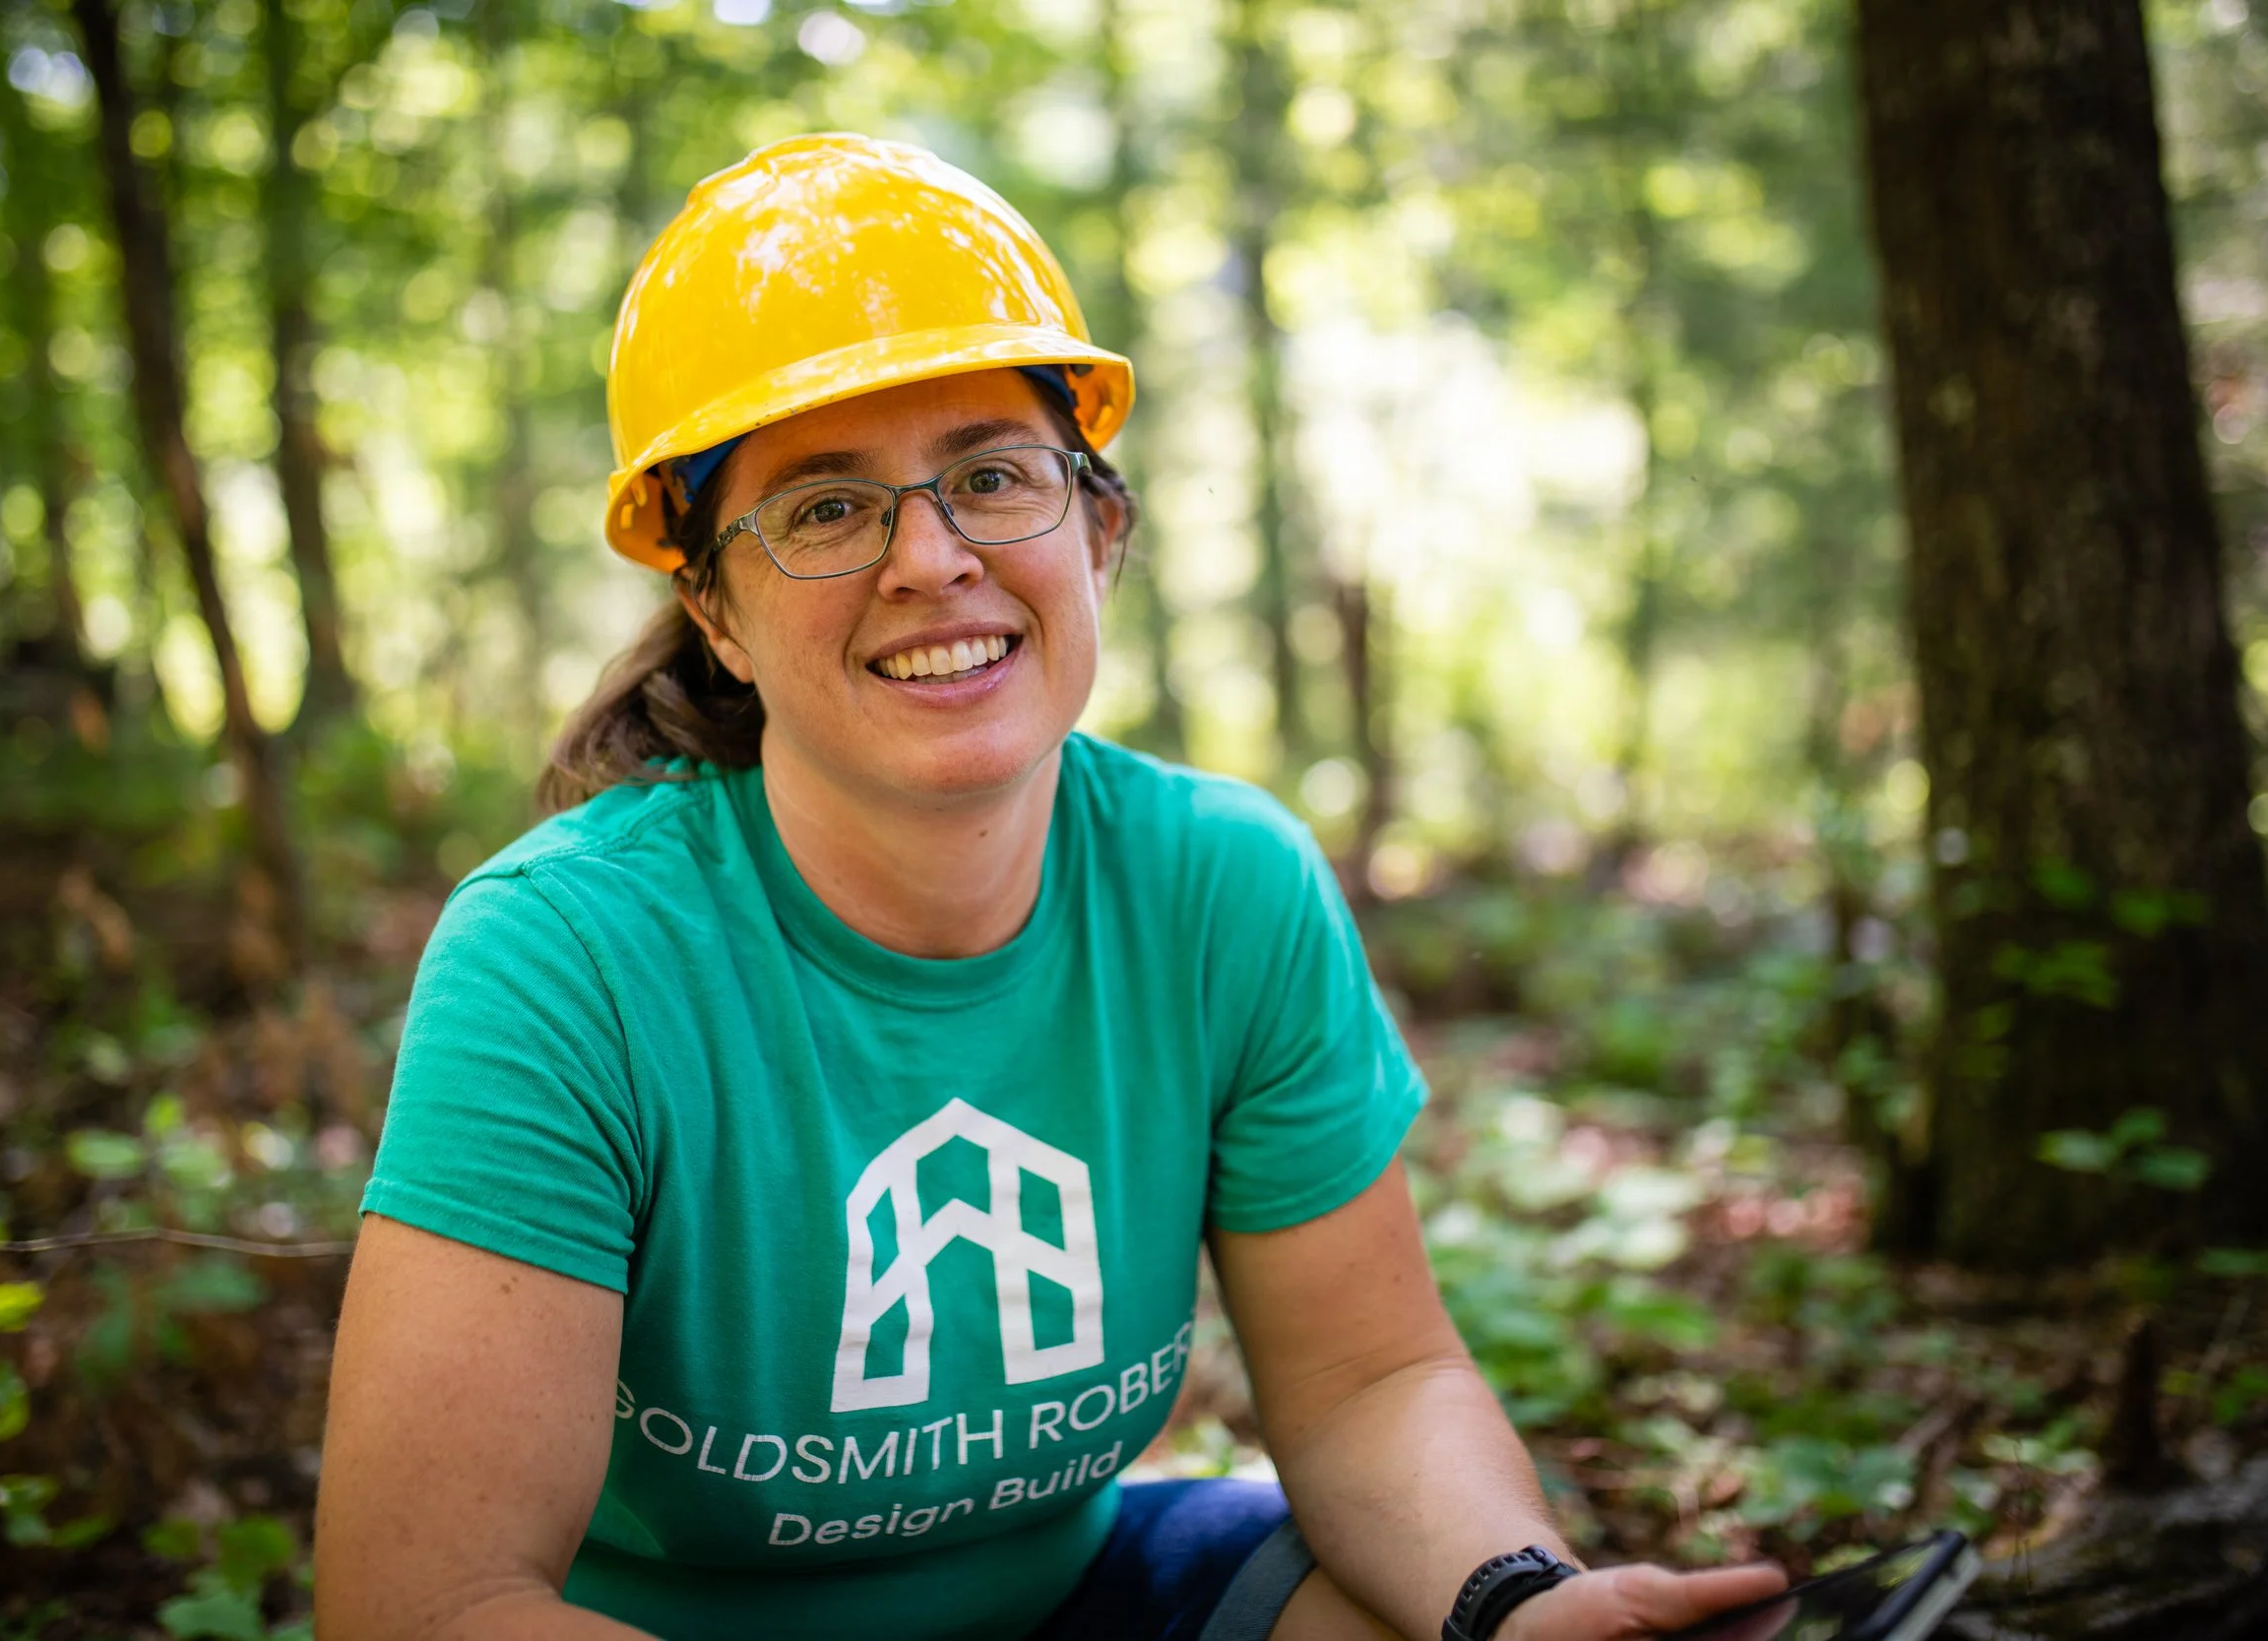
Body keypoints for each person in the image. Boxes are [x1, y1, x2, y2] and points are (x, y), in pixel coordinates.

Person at [313, 134, 1785, 1641]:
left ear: (1099, 527)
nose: (930, 557)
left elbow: (1370, 1381)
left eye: (993, 477)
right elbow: (426, 1602)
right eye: (826, 506)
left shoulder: (1219, 884)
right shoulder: (567, 958)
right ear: (716, 612)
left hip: (1080, 1596)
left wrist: (1510, 1603)